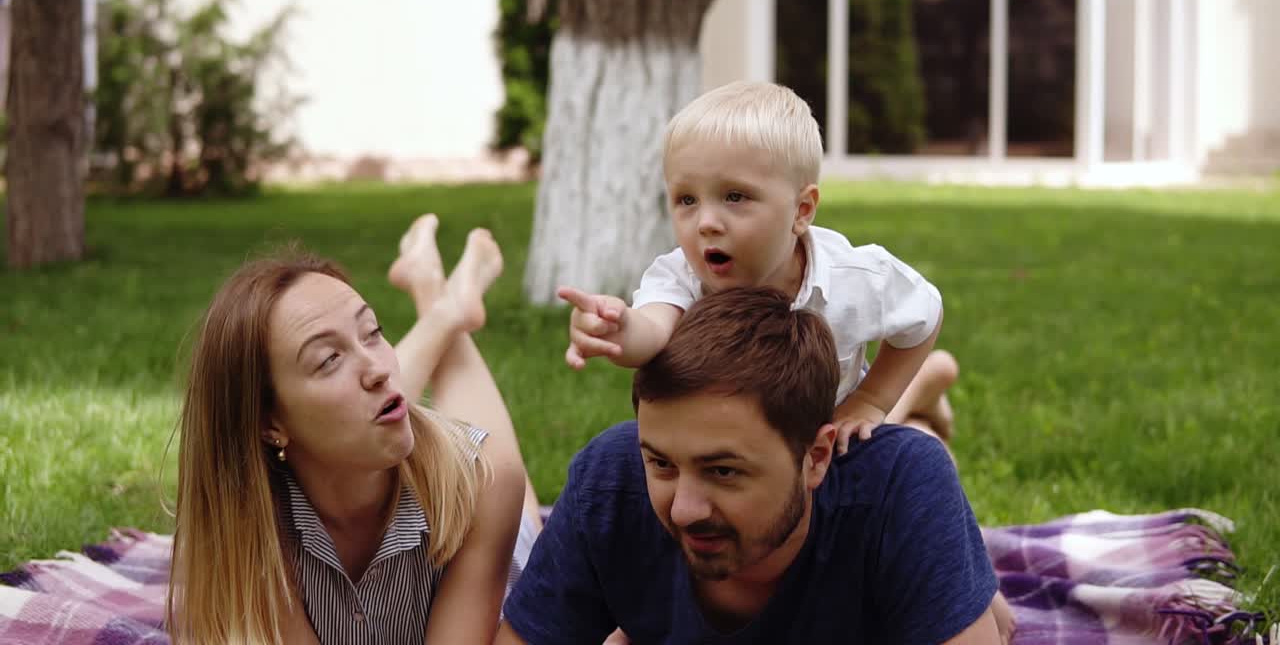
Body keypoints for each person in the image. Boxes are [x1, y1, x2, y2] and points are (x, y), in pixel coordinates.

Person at [498, 287, 1002, 644]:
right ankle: (921, 395)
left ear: (816, 458)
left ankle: (917, 398)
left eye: (723, 471)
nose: (684, 511)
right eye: (662, 464)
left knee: (915, 448)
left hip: (884, 459)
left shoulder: (900, 486)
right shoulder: (610, 483)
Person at [167, 215, 542, 644]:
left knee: (487, 462)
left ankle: (442, 301)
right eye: (328, 360)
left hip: (496, 537)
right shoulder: (246, 520)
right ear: (269, 423)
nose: (379, 368)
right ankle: (441, 299)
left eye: (375, 332)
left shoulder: (484, 482)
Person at [559, 80, 956, 449]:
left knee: (905, 449)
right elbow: (651, 329)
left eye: (734, 197)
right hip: (752, 443)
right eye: (686, 200)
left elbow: (925, 312)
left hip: (835, 420)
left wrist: (871, 400)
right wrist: (618, 329)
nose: (707, 223)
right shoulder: (680, 276)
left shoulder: (851, 278)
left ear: (802, 210)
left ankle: (920, 392)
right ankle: (925, 388)